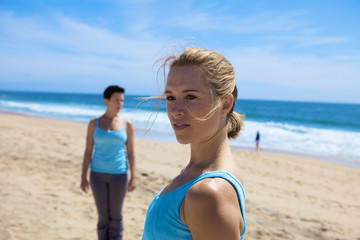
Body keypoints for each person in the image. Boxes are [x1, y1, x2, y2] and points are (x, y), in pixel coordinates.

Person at [142, 48, 246, 240]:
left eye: (190, 96)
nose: (175, 110)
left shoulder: (209, 192)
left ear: (225, 104)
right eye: (170, 97)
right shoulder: (197, 174)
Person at [80, 85, 136, 240]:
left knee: (116, 216)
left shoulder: (127, 124)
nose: (120, 104)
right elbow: (87, 151)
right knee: (103, 216)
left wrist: (134, 176)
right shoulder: (94, 123)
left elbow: (131, 153)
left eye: (122, 100)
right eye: (116, 100)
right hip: (97, 175)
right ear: (106, 100)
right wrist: (83, 177)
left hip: (119, 175)